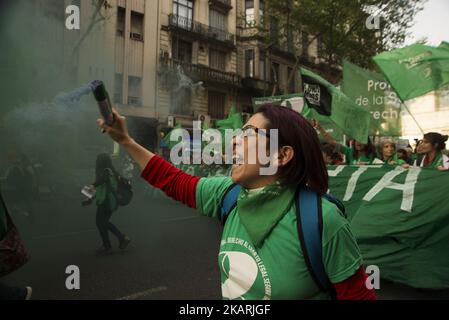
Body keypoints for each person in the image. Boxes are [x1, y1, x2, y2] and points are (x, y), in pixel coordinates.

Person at [97, 105, 376, 300]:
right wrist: (125, 140)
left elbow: (358, 296)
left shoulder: (324, 220)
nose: (233, 143)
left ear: (282, 155)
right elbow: (173, 181)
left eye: (247, 134)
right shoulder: (227, 193)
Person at [83, 153, 131, 254]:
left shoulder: (106, 171)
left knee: (101, 222)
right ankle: (111, 243)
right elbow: (101, 188)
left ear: (100, 162)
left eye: (98, 160)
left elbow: (101, 181)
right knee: (102, 222)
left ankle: (118, 240)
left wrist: (92, 185)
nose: (96, 162)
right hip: (107, 201)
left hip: (106, 201)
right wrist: (90, 198)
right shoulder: (109, 171)